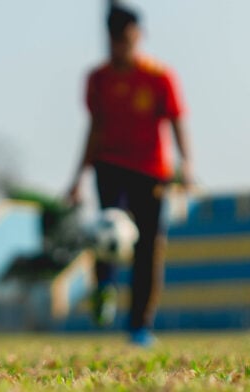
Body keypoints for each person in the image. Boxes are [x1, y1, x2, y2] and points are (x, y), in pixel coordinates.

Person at [67, 4, 193, 346]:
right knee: (107, 229)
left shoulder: (158, 77)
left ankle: (139, 325)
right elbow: (93, 128)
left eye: (128, 38)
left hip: (152, 173)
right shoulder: (98, 79)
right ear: (107, 39)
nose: (123, 46)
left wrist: (187, 166)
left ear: (138, 35)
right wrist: (77, 178)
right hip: (110, 167)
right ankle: (104, 286)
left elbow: (176, 120)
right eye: (116, 40)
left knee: (148, 249)